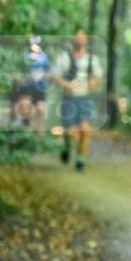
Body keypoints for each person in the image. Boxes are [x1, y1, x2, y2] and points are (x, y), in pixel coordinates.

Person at [52, 29, 103, 172]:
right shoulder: (64, 57)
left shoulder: (93, 59)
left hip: (85, 97)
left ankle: (80, 160)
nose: (80, 40)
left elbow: (98, 76)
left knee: (85, 129)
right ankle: (67, 146)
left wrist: (93, 82)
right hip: (69, 97)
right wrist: (65, 84)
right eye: (77, 37)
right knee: (70, 131)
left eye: (83, 37)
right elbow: (55, 76)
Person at [11, 36, 49, 132]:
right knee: (25, 108)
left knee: (40, 110)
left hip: (40, 87)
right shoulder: (25, 56)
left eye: (37, 44)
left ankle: (37, 133)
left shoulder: (44, 57)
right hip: (27, 87)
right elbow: (19, 72)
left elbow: (47, 70)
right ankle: (25, 129)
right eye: (33, 44)